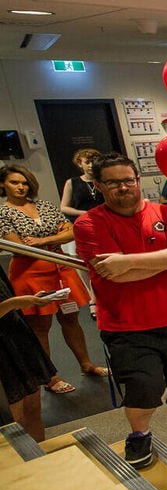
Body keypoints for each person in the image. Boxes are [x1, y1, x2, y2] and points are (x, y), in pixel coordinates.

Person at [73, 153, 167, 471]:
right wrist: (164, 259)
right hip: (127, 325)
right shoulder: (89, 223)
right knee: (142, 388)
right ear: (98, 185)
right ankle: (140, 434)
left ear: (137, 180)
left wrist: (127, 260)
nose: (124, 187)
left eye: (128, 180)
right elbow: (113, 274)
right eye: (114, 182)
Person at [1, 165, 105, 394]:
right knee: (41, 325)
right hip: (30, 272)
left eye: (24, 182)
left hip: (61, 268)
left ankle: (86, 363)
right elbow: (18, 245)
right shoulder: (3, 212)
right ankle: (50, 376)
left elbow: (71, 231)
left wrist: (40, 241)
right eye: (14, 182)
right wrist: (52, 239)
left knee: (71, 318)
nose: (21, 187)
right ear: (3, 185)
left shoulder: (44, 206)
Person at [0, 266, 58, 441]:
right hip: (3, 349)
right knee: (12, 419)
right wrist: (16, 303)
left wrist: (21, 302)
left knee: (32, 408)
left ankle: (40, 458)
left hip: (16, 334)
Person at [59, 148, 104, 221]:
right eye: (87, 162)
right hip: (84, 220)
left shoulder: (104, 180)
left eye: (94, 162)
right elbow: (64, 208)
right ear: (80, 164)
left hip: (104, 218)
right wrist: (83, 213)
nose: (91, 165)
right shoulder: (71, 182)